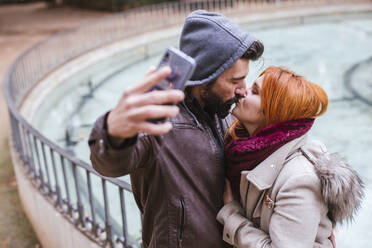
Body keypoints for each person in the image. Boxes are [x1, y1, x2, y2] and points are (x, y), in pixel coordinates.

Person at [89, 10, 264, 247]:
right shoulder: (156, 120)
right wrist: (112, 132)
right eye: (235, 81)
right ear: (206, 77)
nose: (243, 89)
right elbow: (109, 164)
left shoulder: (223, 113)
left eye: (245, 79)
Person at [217, 66, 364, 247]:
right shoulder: (245, 150)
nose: (242, 91)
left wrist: (232, 214)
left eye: (255, 92)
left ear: (275, 112)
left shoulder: (299, 180)